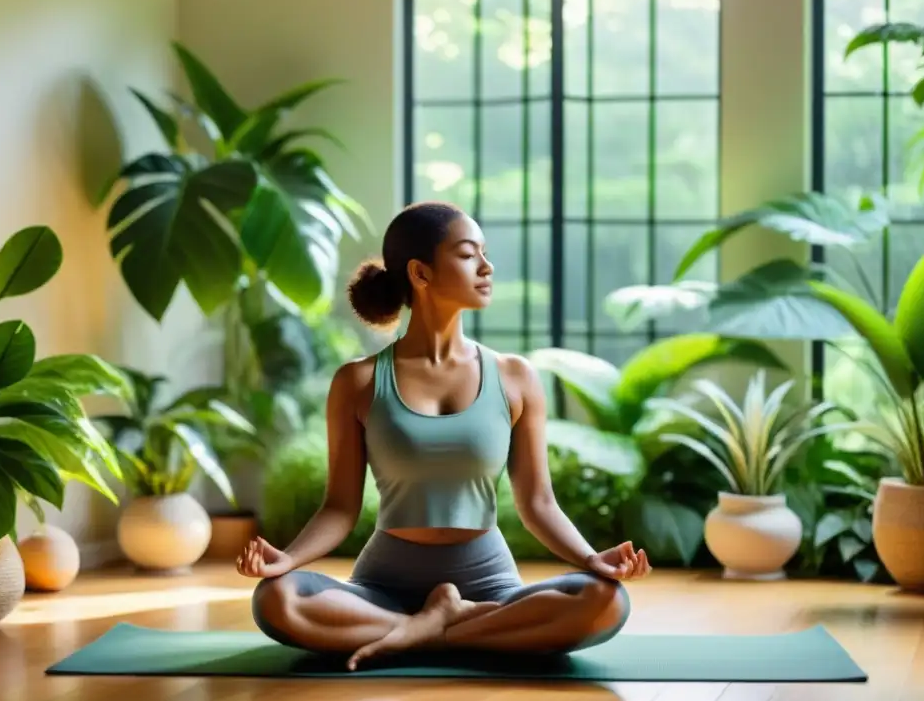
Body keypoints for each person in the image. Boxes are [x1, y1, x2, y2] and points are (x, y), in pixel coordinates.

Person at [237, 201, 651, 671]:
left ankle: (424, 632)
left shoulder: (515, 377)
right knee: (276, 600)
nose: (487, 266)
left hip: (488, 587)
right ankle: (458, 632)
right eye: (468, 254)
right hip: (383, 588)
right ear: (421, 272)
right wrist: (284, 562)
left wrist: (591, 558)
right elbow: (339, 508)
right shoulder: (358, 381)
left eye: (484, 253)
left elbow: (538, 503)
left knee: (605, 602)